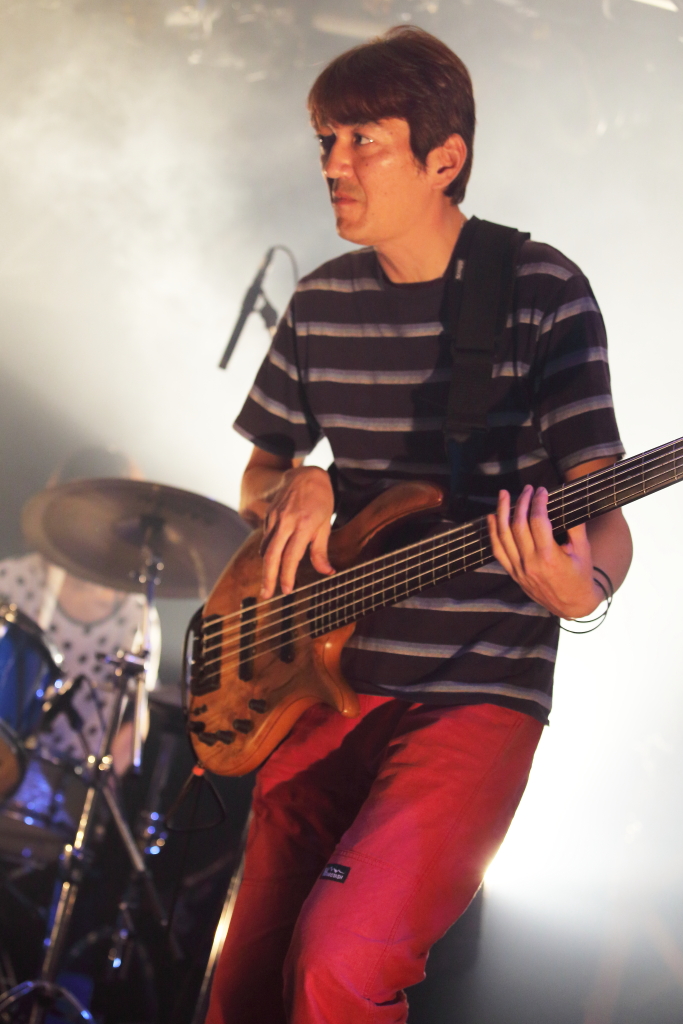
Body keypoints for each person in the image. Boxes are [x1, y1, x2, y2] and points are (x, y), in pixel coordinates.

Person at [206, 27, 632, 1024]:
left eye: (362, 140)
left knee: (340, 964)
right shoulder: (318, 303)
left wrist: (583, 592)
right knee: (241, 988)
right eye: (325, 140)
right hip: (322, 687)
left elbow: (604, 518)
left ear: (445, 159)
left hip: (473, 695)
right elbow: (260, 473)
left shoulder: (540, 292)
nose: (332, 164)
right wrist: (298, 485)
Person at [0, 446, 160, 774]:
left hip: (67, 786)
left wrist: (99, 785)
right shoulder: (10, 582)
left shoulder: (136, 617)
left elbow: (136, 719)